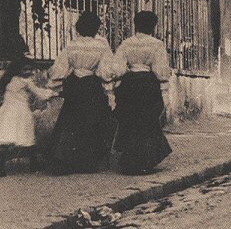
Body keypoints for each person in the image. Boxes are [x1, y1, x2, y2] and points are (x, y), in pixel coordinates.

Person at [47, 11, 115, 174]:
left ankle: (63, 160)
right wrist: (109, 91)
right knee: (91, 121)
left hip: (75, 85)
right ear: (96, 28)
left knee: (71, 120)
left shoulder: (72, 45)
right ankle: (86, 162)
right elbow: (105, 72)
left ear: (79, 27)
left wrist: (55, 83)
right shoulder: (101, 46)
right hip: (91, 85)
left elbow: (59, 69)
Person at [109, 11, 172, 174]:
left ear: (136, 24)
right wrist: (164, 90)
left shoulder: (126, 44)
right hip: (148, 85)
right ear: (153, 27)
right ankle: (144, 160)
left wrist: (124, 75)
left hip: (130, 84)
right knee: (146, 121)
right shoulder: (156, 44)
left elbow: (117, 68)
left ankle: (130, 160)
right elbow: (160, 70)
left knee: (130, 121)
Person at [0, 56, 56, 176]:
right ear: (18, 69)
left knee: (5, 138)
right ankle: (33, 164)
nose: (28, 72)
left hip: (7, 112)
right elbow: (40, 93)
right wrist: (52, 93)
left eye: (30, 69)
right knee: (28, 138)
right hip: (21, 112)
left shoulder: (8, 80)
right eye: (25, 69)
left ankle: (1, 168)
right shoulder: (26, 82)